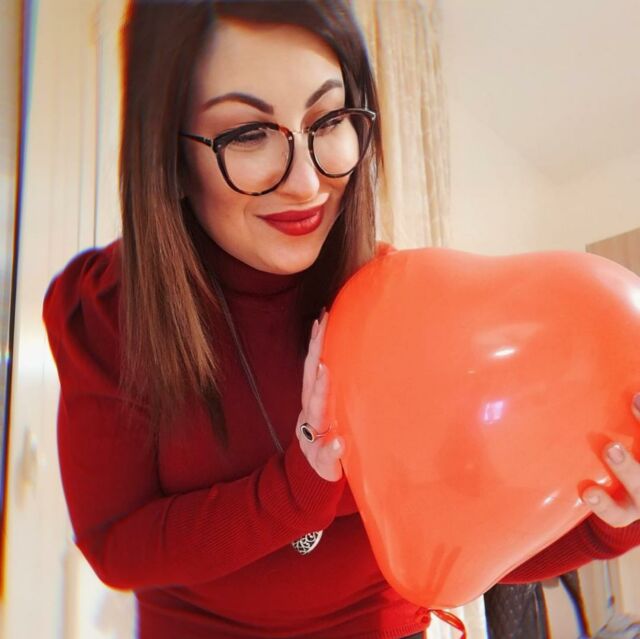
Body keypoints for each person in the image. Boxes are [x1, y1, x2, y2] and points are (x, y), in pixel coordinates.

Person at [42, 1, 640, 638]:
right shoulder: (107, 310)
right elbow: (117, 547)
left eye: (329, 120)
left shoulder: (400, 302)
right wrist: (294, 490)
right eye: (247, 133)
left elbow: (458, 549)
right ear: (170, 156)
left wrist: (611, 523)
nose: (306, 183)